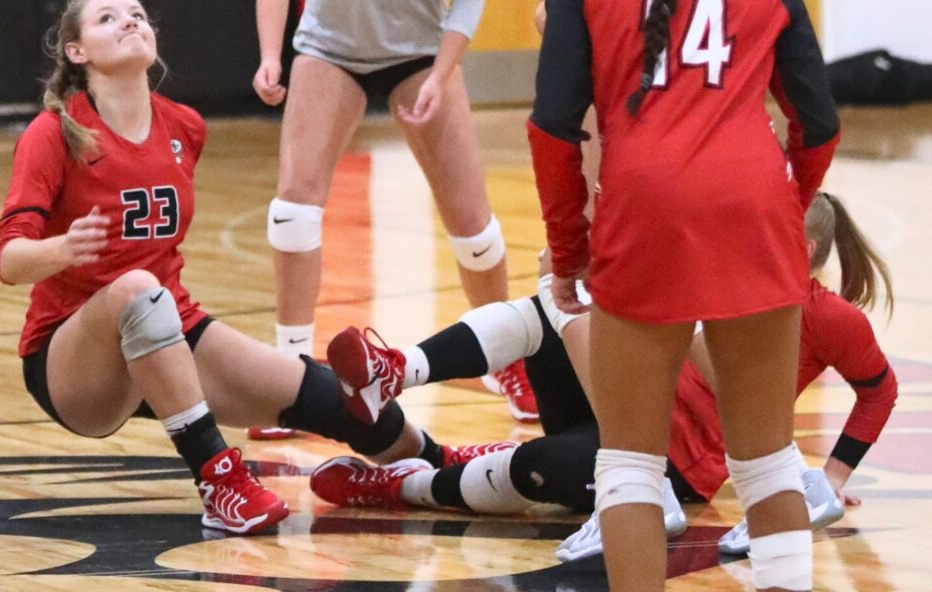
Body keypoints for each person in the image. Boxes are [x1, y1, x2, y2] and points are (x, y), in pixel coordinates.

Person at [0, 0, 504, 537]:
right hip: (75, 362)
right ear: (77, 51)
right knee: (136, 288)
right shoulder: (55, 133)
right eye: (108, 19)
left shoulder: (183, 126)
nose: (130, 23)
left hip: (170, 330)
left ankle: (428, 464)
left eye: (137, 14)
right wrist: (61, 249)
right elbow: (9, 260)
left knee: (331, 397)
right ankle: (218, 482)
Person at [527, 0, 840, 592]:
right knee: (768, 459)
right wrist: (782, 200)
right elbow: (821, 122)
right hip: (753, 212)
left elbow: (554, 132)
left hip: (645, 217)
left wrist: (569, 252)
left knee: (630, 467)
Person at [309, 191, 894, 566]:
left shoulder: (824, 316)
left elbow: (877, 389)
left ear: (804, 245)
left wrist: (834, 474)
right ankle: (396, 371)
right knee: (546, 311)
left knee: (540, 465)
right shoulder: (716, 271)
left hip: (673, 461)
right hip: (621, 400)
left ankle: (399, 486)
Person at [253, 0, 534, 421]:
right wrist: (270, 53)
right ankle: (291, 368)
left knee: (473, 225)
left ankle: (508, 361)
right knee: (293, 209)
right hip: (331, 47)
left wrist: (444, 69)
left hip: (418, 49)